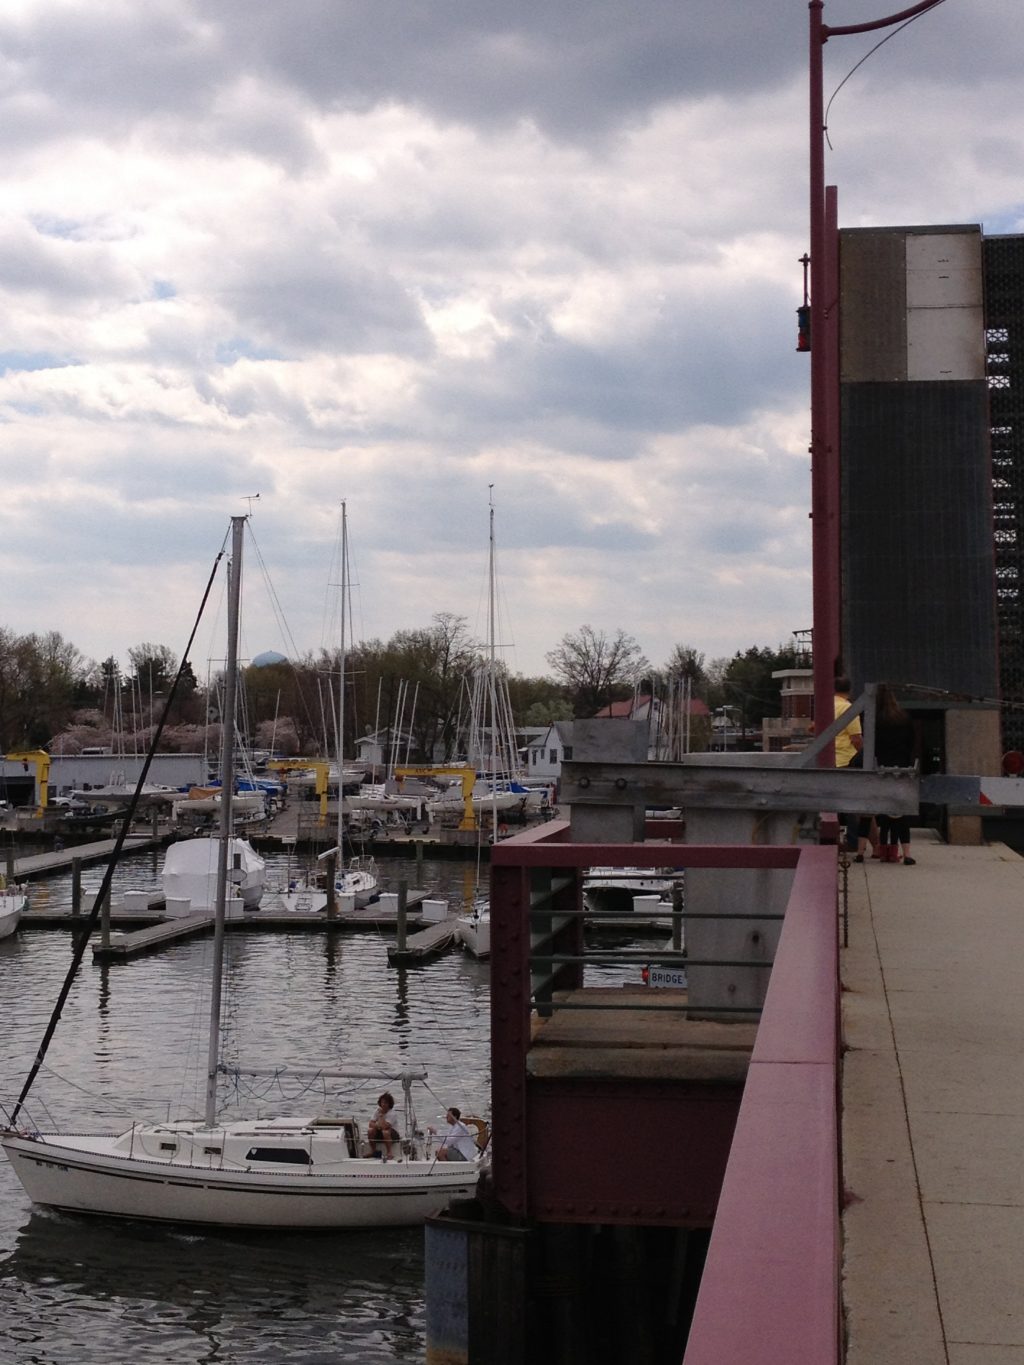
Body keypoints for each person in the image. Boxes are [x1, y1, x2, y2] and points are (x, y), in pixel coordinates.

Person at [872, 684, 920, 865]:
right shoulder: (904, 718)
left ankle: (885, 851)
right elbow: (911, 742)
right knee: (901, 811)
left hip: (881, 767)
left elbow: (871, 743)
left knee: (885, 813)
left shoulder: (875, 719)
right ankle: (906, 853)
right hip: (902, 767)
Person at [367, 1091, 400, 1160]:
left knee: (385, 1132)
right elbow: (370, 1124)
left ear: (389, 1104)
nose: (383, 1104)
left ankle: (389, 1152)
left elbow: (385, 1126)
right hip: (380, 1131)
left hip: (392, 1134)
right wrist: (378, 1125)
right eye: (382, 1102)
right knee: (370, 1130)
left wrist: (381, 1116)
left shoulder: (392, 1113)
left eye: (385, 1103)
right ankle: (373, 1151)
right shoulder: (377, 1111)